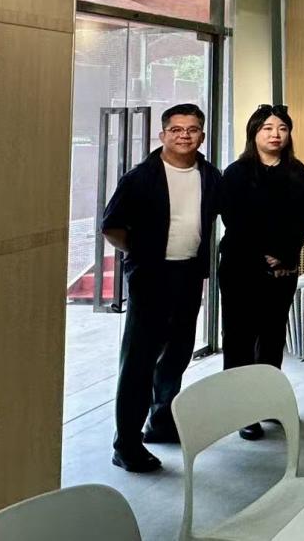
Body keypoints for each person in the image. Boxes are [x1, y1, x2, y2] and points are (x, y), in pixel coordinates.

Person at [102, 104, 222, 473]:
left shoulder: (210, 175)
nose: (185, 135)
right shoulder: (140, 177)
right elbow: (112, 227)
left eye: (192, 129)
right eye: (177, 130)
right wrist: (143, 253)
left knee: (177, 354)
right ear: (163, 135)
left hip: (190, 275)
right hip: (151, 278)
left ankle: (161, 422)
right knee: (139, 362)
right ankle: (126, 444)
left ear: (202, 135)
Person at [219, 104, 304, 440]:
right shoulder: (236, 172)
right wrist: (265, 256)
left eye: (282, 129)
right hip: (241, 266)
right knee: (240, 338)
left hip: (283, 269)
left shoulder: (298, 171)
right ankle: (241, 410)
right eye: (268, 128)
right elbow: (234, 220)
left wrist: (285, 255)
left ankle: (267, 402)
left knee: (273, 337)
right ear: (254, 133)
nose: (276, 135)